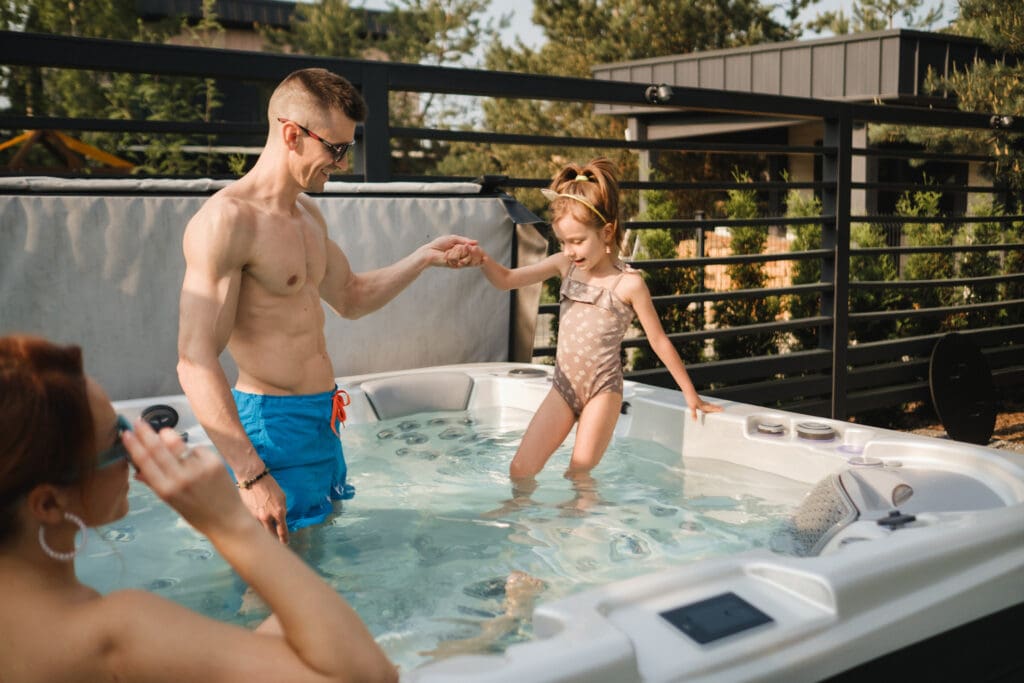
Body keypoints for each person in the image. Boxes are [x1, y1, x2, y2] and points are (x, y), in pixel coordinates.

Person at [178, 67, 477, 543]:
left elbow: (351, 297)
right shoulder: (227, 222)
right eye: (335, 149)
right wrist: (251, 475)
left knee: (318, 567)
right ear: (291, 134)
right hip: (271, 431)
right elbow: (194, 361)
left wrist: (423, 259)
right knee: (278, 588)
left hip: (323, 417)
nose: (342, 163)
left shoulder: (307, 215)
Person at [0, 334, 398, 683]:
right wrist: (228, 523)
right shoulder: (113, 633)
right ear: (49, 503)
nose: (144, 439)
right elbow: (370, 673)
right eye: (119, 438)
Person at [461, 158, 721, 482]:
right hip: (563, 387)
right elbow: (506, 279)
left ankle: (582, 528)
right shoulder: (564, 266)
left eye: (578, 241)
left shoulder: (629, 284)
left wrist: (690, 393)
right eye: (563, 241)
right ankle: (522, 525)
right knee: (520, 470)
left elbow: (658, 340)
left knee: (578, 472)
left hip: (602, 391)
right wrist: (481, 260)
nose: (569, 250)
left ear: (607, 232)